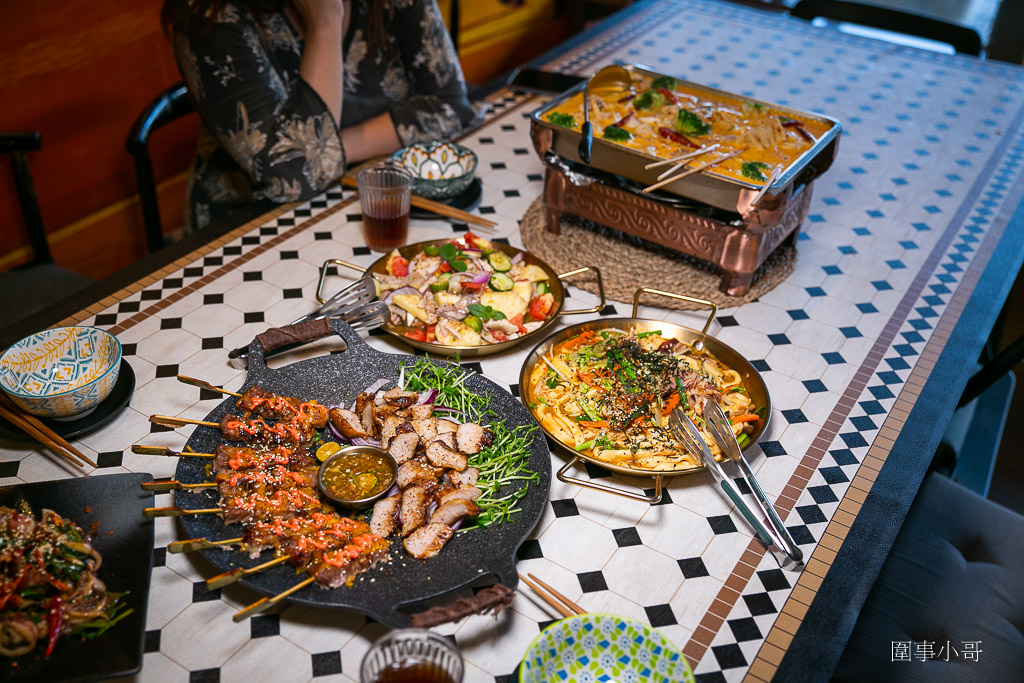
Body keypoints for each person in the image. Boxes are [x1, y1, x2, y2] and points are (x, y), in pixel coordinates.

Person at [162, 0, 484, 231]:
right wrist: (326, 21)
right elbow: (296, 174)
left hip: (371, 186)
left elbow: (451, 105)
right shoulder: (211, 14)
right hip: (252, 224)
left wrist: (329, 150)